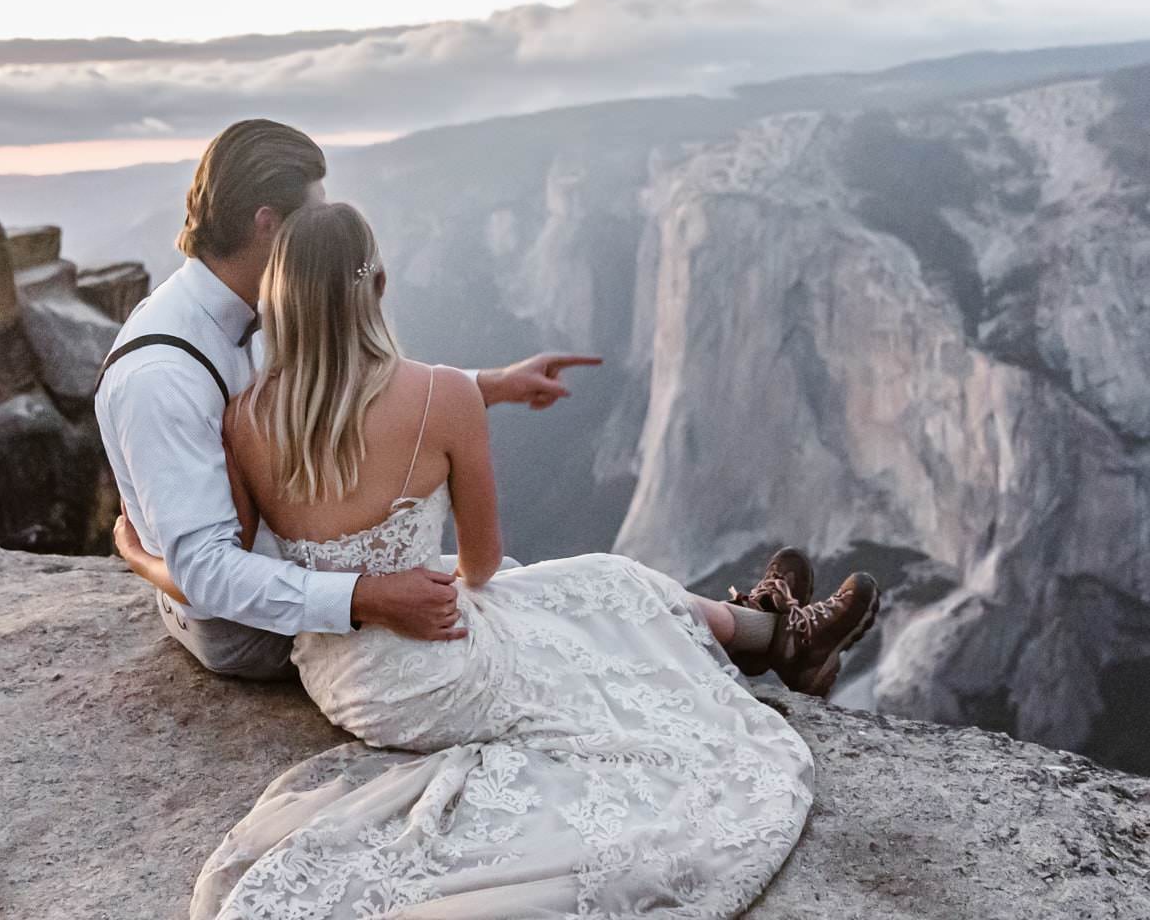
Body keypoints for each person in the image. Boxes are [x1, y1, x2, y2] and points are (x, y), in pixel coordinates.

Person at [117, 199, 881, 918]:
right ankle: (772, 636)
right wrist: (430, 566)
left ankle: (771, 635)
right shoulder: (442, 396)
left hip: (341, 680)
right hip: (441, 671)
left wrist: (140, 557)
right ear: (374, 287)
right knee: (601, 596)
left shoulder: (244, 419)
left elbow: (233, 563)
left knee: (596, 585)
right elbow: (483, 564)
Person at [96, 119, 603, 680]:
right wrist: (367, 597)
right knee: (532, 621)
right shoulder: (160, 375)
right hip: (254, 632)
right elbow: (208, 574)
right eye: (311, 213)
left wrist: (492, 384)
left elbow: (343, 386)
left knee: (548, 603)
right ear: (268, 225)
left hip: (318, 568)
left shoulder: (259, 305)